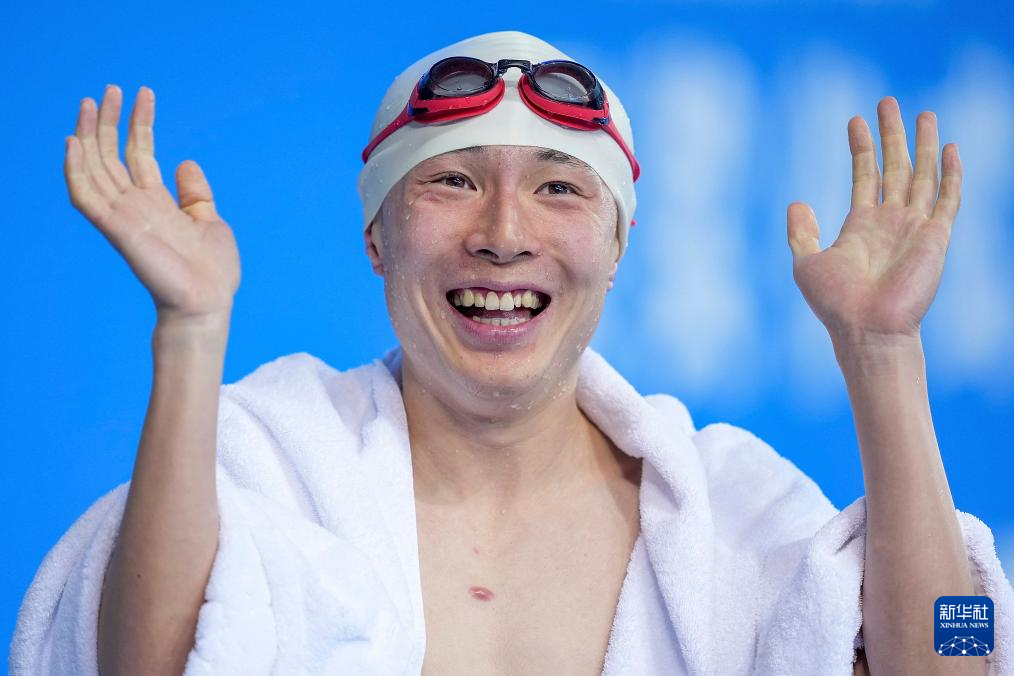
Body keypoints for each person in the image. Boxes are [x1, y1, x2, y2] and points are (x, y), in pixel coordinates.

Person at [9, 30, 1013, 676]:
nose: (502, 233)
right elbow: (137, 663)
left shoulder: (730, 515)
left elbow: (958, 654)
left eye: (559, 187)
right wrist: (190, 332)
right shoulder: (266, 465)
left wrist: (883, 353)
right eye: (450, 181)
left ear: (617, 249)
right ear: (377, 238)